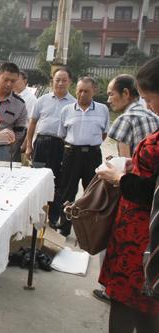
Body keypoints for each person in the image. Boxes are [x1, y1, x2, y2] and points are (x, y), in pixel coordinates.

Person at [96, 57, 159, 333]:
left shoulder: (125, 120)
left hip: (142, 237)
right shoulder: (153, 118)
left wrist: (120, 177)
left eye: (149, 98)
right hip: (137, 232)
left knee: (134, 301)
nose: (148, 105)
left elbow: (150, 190)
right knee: (142, 305)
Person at [55, 76, 109, 236]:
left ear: (94, 91)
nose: (82, 94)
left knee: (92, 193)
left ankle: (88, 230)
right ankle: (64, 227)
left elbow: (104, 133)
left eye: (86, 91)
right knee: (67, 191)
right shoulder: (66, 110)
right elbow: (62, 134)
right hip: (72, 154)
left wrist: (89, 143)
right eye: (79, 91)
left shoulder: (102, 109)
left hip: (92, 155)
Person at [25, 67, 76, 227]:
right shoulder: (42, 100)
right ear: (52, 81)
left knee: (58, 182)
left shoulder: (74, 103)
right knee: (36, 179)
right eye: (57, 80)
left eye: (64, 80)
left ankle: (53, 218)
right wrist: (28, 146)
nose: (60, 83)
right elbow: (32, 123)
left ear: (70, 82)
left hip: (61, 146)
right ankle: (32, 214)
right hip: (41, 143)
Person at [107, 74, 159, 157]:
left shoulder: (125, 120)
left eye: (111, 94)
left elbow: (124, 162)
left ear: (125, 93)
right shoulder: (155, 117)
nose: (108, 100)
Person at [0, 62, 28, 162]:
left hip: (2, 149)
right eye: (6, 79)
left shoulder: (20, 104)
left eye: (13, 81)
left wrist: (10, 143)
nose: (9, 84)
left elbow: (20, 131)